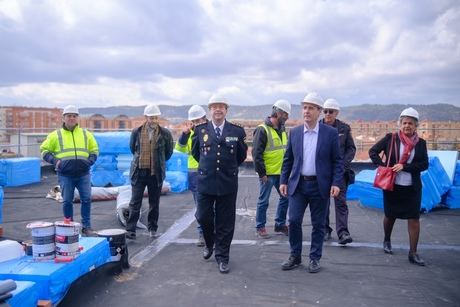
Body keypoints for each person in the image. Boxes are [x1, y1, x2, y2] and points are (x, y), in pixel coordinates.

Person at [279, 92, 343, 273]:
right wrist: (284, 180)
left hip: (320, 186)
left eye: (311, 108)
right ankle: (295, 256)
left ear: (319, 111)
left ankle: (315, 258)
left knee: (318, 224)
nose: (306, 111)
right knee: (294, 220)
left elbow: (338, 161)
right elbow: (288, 160)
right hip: (298, 185)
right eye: (304, 107)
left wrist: (336, 183)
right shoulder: (295, 132)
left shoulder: (330, 134)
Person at [192, 95, 247, 274]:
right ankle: (210, 243)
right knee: (203, 216)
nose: (218, 109)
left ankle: (222, 257)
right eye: (214, 106)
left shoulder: (236, 131)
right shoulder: (200, 130)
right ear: (210, 110)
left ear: (226, 110)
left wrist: (227, 168)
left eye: (221, 107)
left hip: (227, 182)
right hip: (206, 182)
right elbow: (196, 154)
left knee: (225, 222)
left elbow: (241, 156)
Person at [369, 107, 428, 266]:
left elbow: (424, 164)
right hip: (392, 185)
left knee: (414, 218)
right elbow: (373, 151)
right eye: (404, 123)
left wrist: (405, 167)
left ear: (416, 126)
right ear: (400, 124)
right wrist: (383, 167)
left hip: (412, 188)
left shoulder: (421, 143)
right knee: (390, 215)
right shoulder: (391, 138)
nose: (407, 126)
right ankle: (387, 240)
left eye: (410, 123)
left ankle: (413, 253)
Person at [40, 105, 99, 236]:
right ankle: (69, 226)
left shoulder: (86, 134)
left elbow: (94, 150)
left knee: (87, 199)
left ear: (78, 118)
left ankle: (86, 227)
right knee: (67, 201)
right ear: (64, 118)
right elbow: (44, 150)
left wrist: (89, 162)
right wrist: (56, 161)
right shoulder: (56, 135)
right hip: (65, 175)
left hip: (83, 174)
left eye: (74, 116)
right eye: (69, 116)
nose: (72, 118)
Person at [125, 104, 173, 240]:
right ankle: (130, 230)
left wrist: (159, 161)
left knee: (154, 203)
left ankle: (153, 228)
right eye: (151, 118)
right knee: (135, 202)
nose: (153, 120)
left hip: (155, 173)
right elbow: (133, 149)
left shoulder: (165, 133)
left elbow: (168, 153)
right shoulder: (137, 132)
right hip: (139, 172)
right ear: (146, 117)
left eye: (155, 118)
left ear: (158, 118)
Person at [252, 99, 291, 239]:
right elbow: (256, 154)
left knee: (285, 197)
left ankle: (280, 224)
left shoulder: (282, 130)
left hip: (281, 173)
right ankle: (260, 226)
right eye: (285, 114)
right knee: (264, 201)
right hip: (267, 174)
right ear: (277, 112)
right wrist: (262, 173)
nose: (286, 118)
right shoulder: (262, 130)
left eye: (287, 115)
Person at [320, 98, 356, 245]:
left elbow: (351, 149)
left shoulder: (344, 129)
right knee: (322, 202)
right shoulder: (317, 127)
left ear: (337, 112)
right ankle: (324, 230)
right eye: (326, 111)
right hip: (321, 171)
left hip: (339, 172)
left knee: (340, 202)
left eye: (331, 111)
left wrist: (343, 164)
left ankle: (343, 233)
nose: (328, 114)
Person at [175, 104, 208, 246]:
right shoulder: (189, 134)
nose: (196, 124)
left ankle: (212, 233)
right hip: (194, 174)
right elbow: (179, 150)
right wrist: (184, 135)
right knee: (200, 207)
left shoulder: (210, 131)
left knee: (212, 206)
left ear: (204, 119)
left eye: (198, 120)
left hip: (209, 172)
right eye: (194, 121)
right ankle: (202, 234)